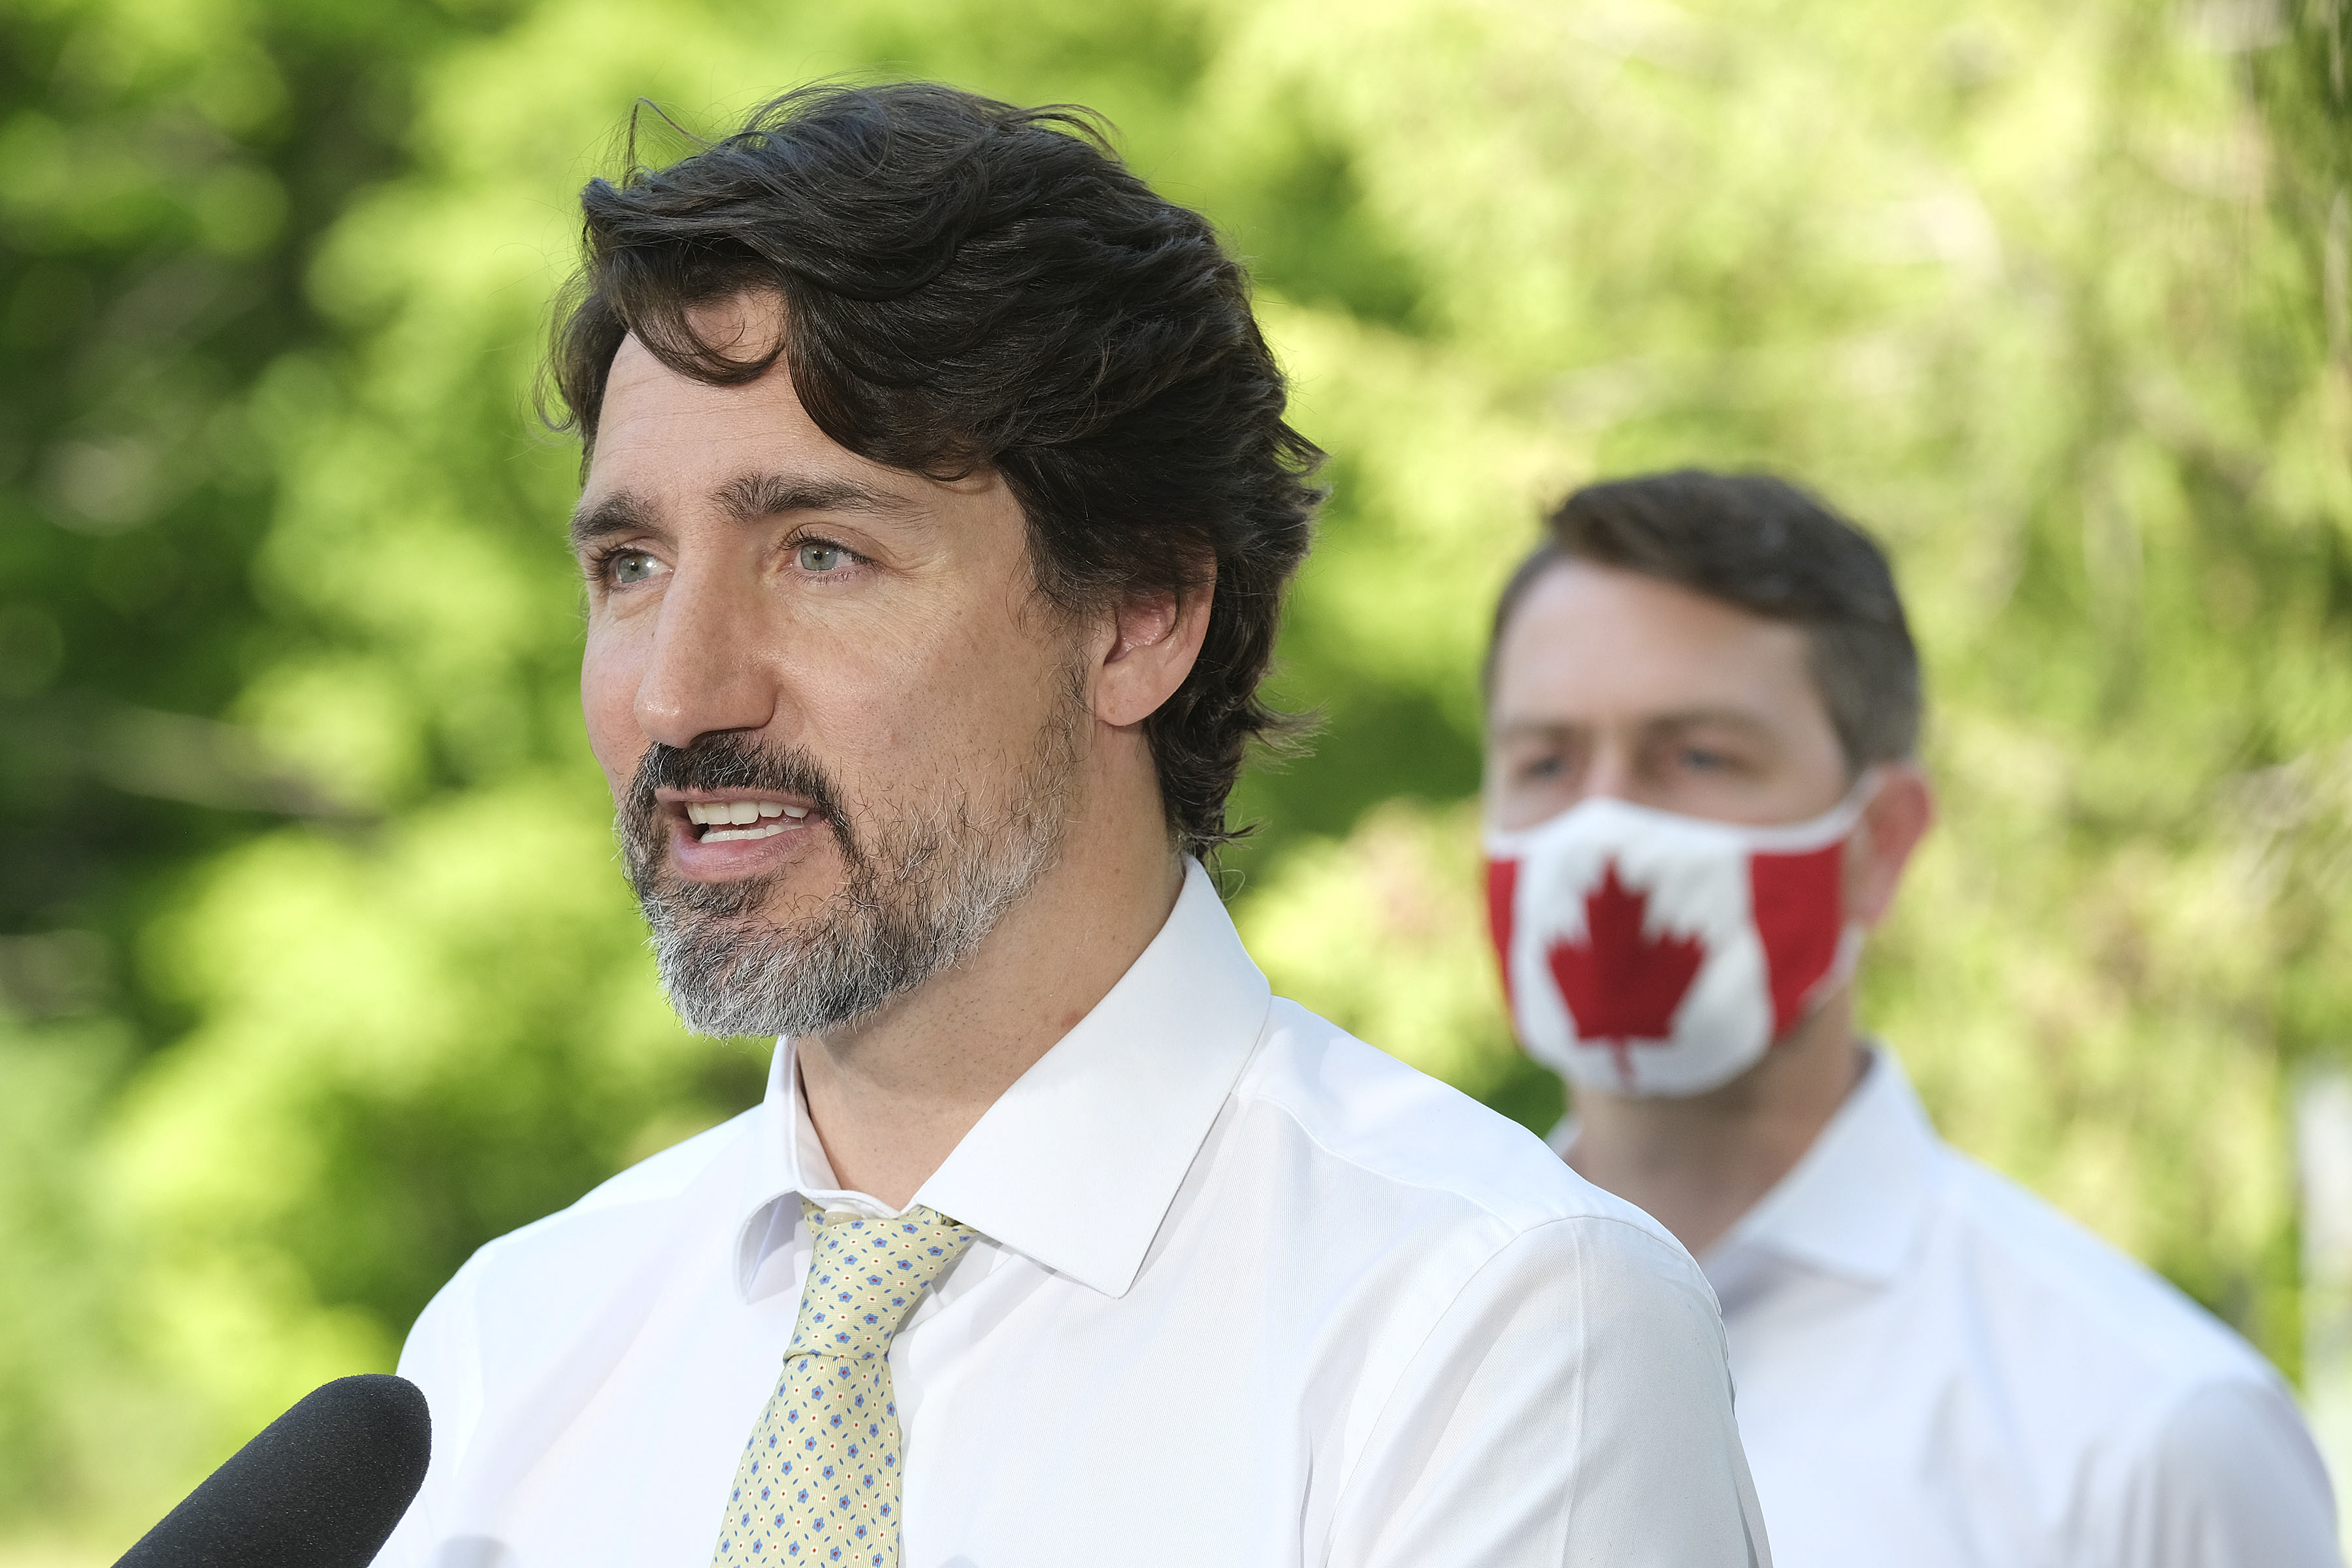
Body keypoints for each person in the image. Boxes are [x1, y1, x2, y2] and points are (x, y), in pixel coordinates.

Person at [374, 86, 1772, 1568]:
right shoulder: (504, 1360)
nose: (677, 692)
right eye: (631, 565)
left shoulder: (1499, 1328)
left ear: (1141, 616)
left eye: (822, 554)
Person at [1481, 468, 2340, 1568]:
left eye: (1697, 757)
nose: (1604, 828)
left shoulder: (2150, 1437)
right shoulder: (1404, 1333)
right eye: (1545, 762)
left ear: (1879, 840)